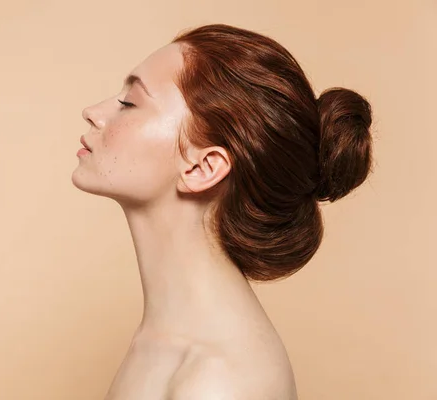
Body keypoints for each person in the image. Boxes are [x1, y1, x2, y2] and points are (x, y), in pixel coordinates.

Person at [71, 23, 373, 400]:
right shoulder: (163, 340)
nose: (93, 112)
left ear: (202, 168)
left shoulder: (221, 381)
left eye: (130, 102)